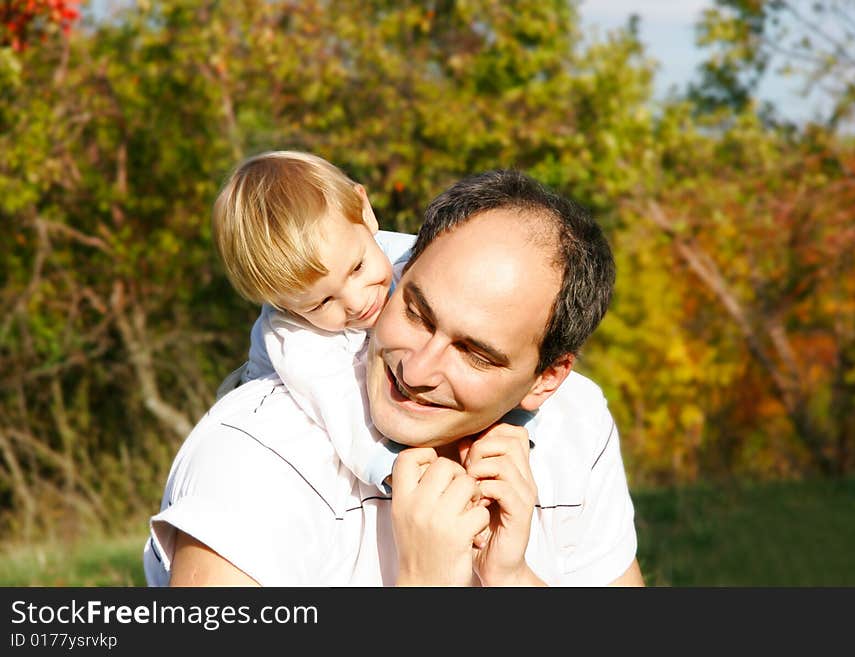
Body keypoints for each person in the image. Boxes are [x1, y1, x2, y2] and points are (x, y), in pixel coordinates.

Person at [144, 168, 644, 586]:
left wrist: (513, 579)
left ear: (546, 380)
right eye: (417, 313)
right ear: (412, 269)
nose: (416, 369)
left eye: (474, 353)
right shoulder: (258, 459)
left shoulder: (575, 423)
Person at [209, 150, 414, 492]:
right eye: (323, 302)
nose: (356, 302)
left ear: (364, 212)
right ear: (283, 305)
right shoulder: (294, 337)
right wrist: (395, 467)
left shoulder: (411, 256)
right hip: (283, 404)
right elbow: (341, 408)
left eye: (357, 268)